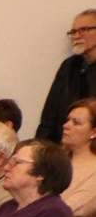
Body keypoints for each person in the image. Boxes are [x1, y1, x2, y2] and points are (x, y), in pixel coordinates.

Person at [37, 9, 96, 143]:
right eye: (73, 32)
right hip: (64, 147)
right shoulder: (69, 66)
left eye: (83, 30)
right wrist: (40, 149)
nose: (76, 36)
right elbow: (49, 116)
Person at [62, 99, 96, 215]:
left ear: (94, 132)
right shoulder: (55, 160)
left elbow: (70, 210)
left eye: (76, 122)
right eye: (68, 120)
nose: (66, 126)